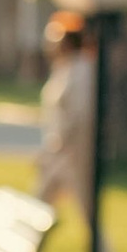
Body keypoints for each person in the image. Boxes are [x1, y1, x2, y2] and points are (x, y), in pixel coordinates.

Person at [36, 11, 97, 222]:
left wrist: (60, 146)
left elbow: (79, 115)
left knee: (87, 211)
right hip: (57, 154)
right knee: (38, 209)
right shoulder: (63, 68)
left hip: (74, 155)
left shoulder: (82, 70)